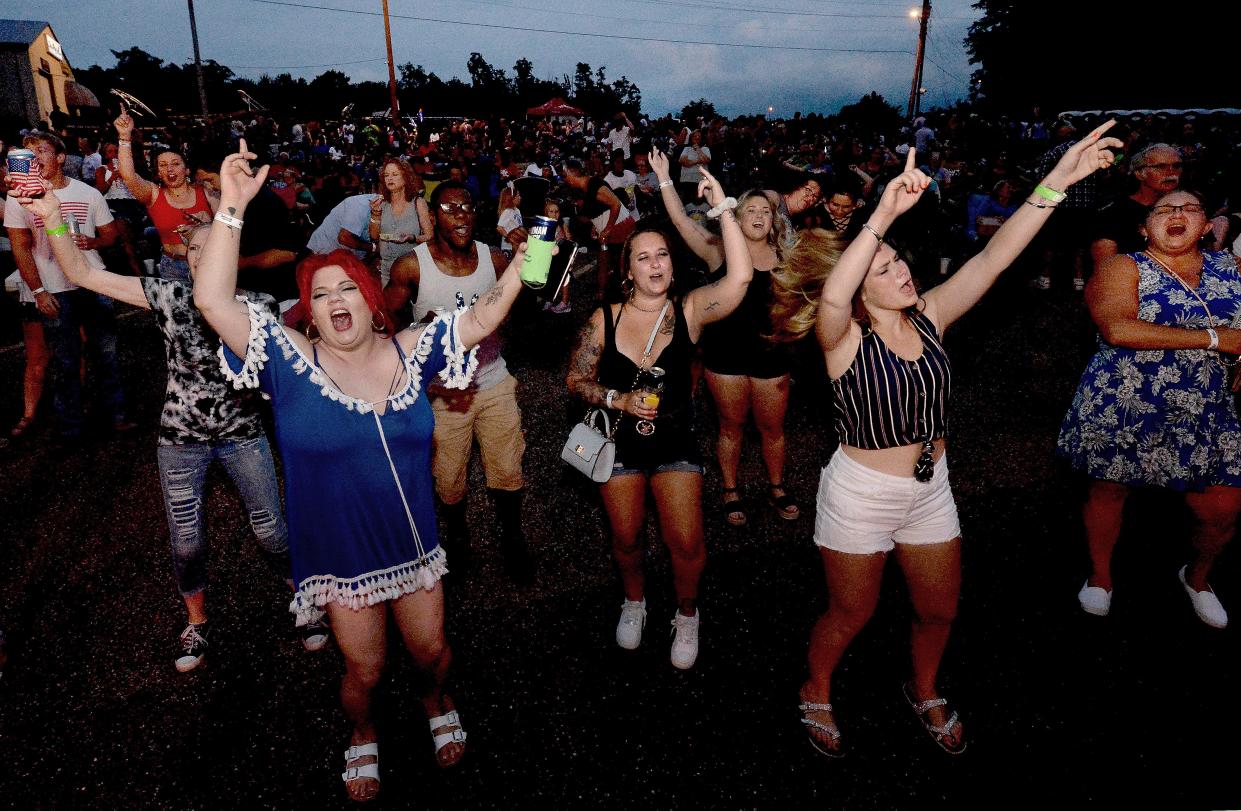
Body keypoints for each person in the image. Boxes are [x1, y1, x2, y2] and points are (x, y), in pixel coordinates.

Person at [769, 126, 1120, 758]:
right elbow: (834, 293)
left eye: (898, 259)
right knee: (852, 613)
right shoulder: (841, 338)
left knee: (941, 611)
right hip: (862, 494)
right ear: (858, 287)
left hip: (932, 490)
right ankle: (815, 686)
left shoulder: (930, 315)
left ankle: (924, 688)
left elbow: (993, 259)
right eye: (884, 268)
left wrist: (1056, 184)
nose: (901, 270)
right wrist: (880, 215)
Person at [195, 143, 527, 801]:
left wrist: (535, 249)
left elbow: (489, 311)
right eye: (321, 294)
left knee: (431, 650)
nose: (335, 299)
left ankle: (436, 701)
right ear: (308, 313)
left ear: (372, 300)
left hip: (411, 542)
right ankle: (362, 731)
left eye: (349, 286)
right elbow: (213, 300)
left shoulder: (414, 348)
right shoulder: (289, 362)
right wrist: (231, 207)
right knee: (366, 668)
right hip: (341, 552)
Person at [13, 193, 318, 669]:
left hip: (243, 435)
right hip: (180, 440)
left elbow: (285, 374)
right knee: (186, 539)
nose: (202, 257)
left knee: (270, 530)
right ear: (184, 258)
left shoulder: (259, 306)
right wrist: (53, 220)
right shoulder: (169, 295)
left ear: (230, 256)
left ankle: (306, 601)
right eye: (193, 250)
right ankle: (196, 624)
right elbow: (84, 274)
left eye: (211, 248)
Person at [566, 166, 754, 670]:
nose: (654, 264)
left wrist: (722, 209)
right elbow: (575, 381)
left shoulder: (689, 310)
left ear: (673, 264)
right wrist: (616, 399)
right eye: (643, 256)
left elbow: (740, 278)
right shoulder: (602, 319)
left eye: (662, 254)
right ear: (628, 268)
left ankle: (687, 613)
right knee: (626, 538)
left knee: (685, 541)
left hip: (674, 441)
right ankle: (634, 601)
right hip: (620, 447)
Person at [1059, 190, 1241, 629]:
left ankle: (1196, 577)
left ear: (1206, 226)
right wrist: (1216, 338)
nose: (1177, 214)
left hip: (1206, 407)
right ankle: (1101, 575)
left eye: (1190, 209)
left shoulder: (1230, 270)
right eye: (1165, 209)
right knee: (1109, 490)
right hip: (1125, 400)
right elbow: (1118, 326)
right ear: (1144, 228)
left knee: (1221, 508)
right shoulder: (1123, 266)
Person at [384, 181, 534, 583]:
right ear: (433, 217)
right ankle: (457, 535)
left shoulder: (495, 259)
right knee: (448, 477)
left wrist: (536, 255)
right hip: (442, 395)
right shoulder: (411, 267)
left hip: (493, 380)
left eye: (467, 207)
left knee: (507, 468)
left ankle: (512, 538)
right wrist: (420, 331)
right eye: (450, 208)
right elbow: (386, 325)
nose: (461, 216)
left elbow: (531, 303)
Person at [650, 149, 797, 526]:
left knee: (773, 430)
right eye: (752, 209)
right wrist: (665, 178)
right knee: (730, 427)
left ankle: (777, 486)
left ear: (774, 219)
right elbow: (681, 219)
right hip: (725, 357)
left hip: (772, 358)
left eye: (766, 211)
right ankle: (731, 489)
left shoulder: (786, 255)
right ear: (735, 214)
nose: (760, 216)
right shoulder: (718, 251)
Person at [4, 131, 131, 443]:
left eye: (42, 151)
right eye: (28, 154)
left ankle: (116, 416)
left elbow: (111, 235)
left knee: (106, 355)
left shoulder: (89, 193)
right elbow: (20, 247)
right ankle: (71, 427)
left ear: (60, 157)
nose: (35, 159)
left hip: (94, 282)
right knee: (66, 360)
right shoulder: (19, 197)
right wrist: (38, 291)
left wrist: (93, 241)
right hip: (54, 288)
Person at [113, 106, 218, 281]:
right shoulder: (154, 194)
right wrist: (124, 137)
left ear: (187, 170)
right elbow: (128, 176)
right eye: (163, 165)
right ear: (158, 173)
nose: (169, 168)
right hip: (173, 269)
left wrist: (205, 227)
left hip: (209, 263)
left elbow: (231, 228)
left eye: (175, 163)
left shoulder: (206, 192)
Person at [1091, 143, 1182, 268]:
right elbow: (1105, 269)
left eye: (1176, 166)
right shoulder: (1114, 214)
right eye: (1161, 167)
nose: (1171, 172)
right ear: (1139, 173)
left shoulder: (1190, 209)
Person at [562, 159, 636, 301]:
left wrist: (607, 229)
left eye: (565, 175)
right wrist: (596, 227)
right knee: (607, 262)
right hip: (607, 230)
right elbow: (599, 211)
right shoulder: (584, 190)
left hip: (620, 228)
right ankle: (606, 292)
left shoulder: (594, 184)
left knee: (622, 265)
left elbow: (615, 204)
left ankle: (630, 295)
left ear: (573, 172)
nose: (566, 180)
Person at [369, 157, 432, 286]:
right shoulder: (382, 204)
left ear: (405, 178)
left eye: (395, 174)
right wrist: (375, 213)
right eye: (386, 175)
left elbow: (430, 236)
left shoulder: (418, 203)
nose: (389, 178)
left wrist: (411, 237)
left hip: (412, 268)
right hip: (387, 270)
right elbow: (374, 236)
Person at [678, 130, 712, 206]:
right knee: (686, 204)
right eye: (695, 136)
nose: (697, 138)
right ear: (691, 138)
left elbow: (706, 161)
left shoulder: (705, 149)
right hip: (687, 180)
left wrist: (698, 149)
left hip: (701, 180)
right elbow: (683, 162)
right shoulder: (686, 149)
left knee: (701, 204)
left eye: (699, 136)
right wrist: (698, 161)